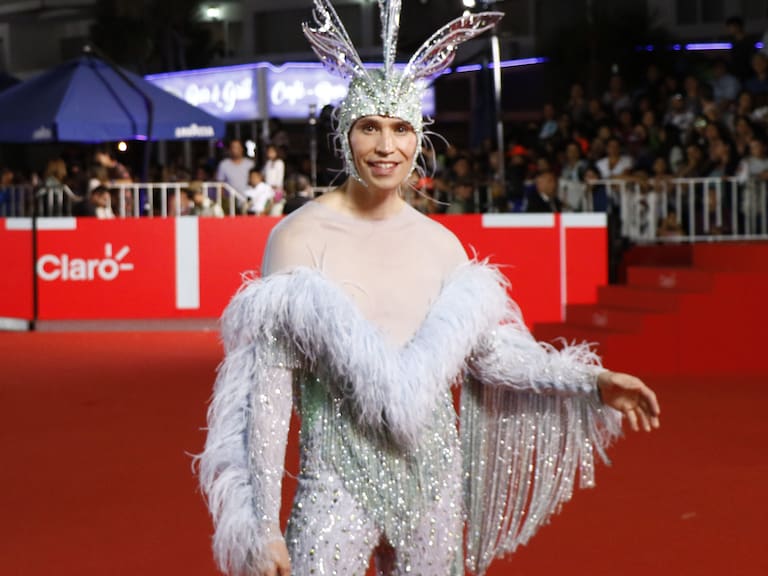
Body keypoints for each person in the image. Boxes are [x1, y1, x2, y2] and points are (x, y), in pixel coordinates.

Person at [197, 3, 661, 576]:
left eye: (400, 128)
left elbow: (493, 357)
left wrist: (592, 380)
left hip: (435, 482)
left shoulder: (442, 245)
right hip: (336, 479)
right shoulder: (298, 237)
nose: (386, 145)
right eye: (370, 127)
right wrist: (263, 528)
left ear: (420, 139)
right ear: (346, 135)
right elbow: (266, 399)